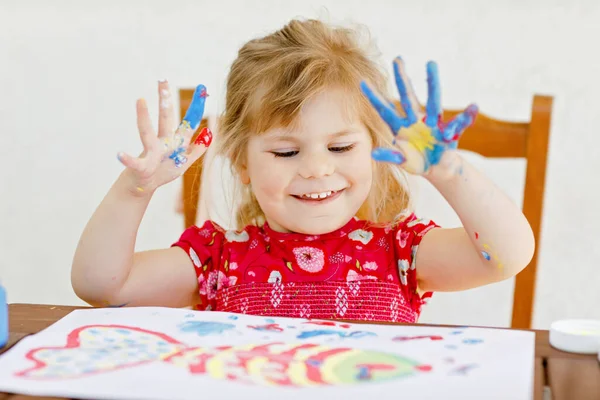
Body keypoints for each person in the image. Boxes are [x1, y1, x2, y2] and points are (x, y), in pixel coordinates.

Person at [71, 19, 534, 322]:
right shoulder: (219, 260)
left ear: (375, 147)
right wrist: (135, 188)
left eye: (340, 145)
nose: (316, 168)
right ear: (242, 163)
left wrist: (450, 172)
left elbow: (507, 256)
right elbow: (103, 288)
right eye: (286, 152)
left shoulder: (401, 251)